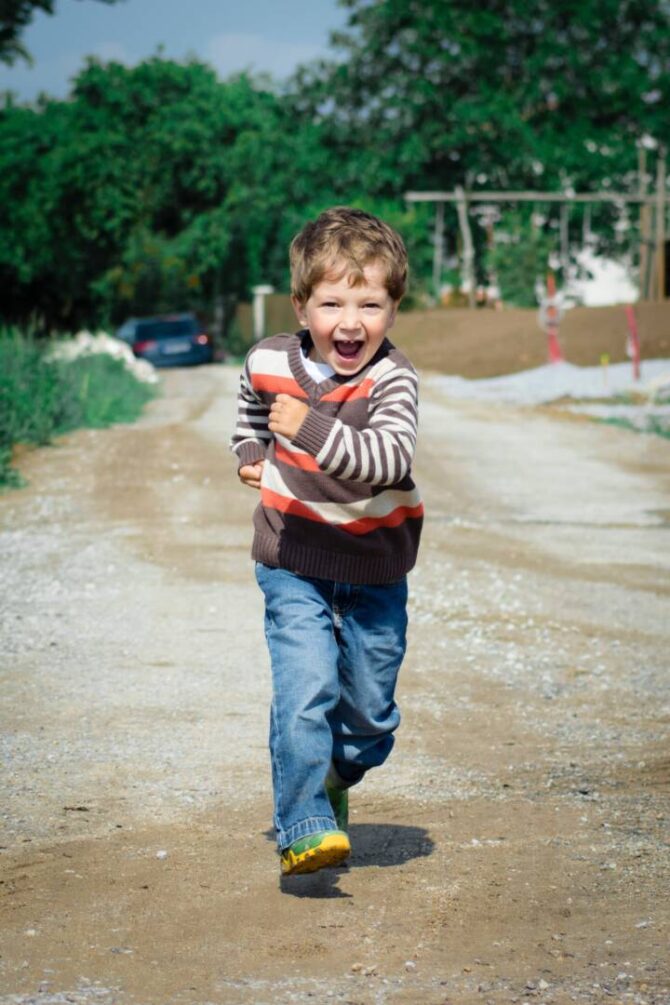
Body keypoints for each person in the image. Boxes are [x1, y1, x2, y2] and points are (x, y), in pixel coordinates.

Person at [230, 206, 423, 876]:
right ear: (301, 304)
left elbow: (387, 458)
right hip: (293, 559)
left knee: (371, 718)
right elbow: (251, 406)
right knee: (304, 686)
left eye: (370, 303)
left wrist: (307, 429)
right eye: (332, 301)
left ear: (393, 308)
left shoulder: (392, 379)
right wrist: (252, 450)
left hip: (373, 566)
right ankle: (303, 821)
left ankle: (335, 773)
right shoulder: (269, 359)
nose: (350, 321)